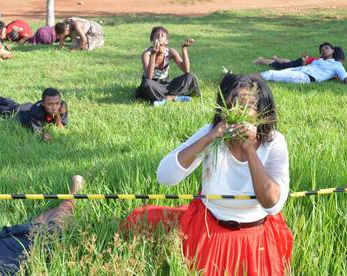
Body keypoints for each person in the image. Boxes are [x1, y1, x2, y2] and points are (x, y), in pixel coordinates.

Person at [123, 73, 293, 275]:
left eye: (250, 105)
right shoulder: (212, 133)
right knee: (140, 221)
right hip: (210, 229)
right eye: (234, 104)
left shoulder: (273, 141)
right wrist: (209, 138)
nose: (239, 112)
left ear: (262, 111)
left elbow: (272, 204)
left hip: (256, 235)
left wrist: (249, 150)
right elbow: (165, 176)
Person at [0, 175, 85, 276]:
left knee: (44, 223)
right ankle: (74, 191)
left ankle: (74, 192)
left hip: (1, 248)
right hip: (17, 248)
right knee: (57, 219)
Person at [135, 26, 201, 106]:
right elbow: (149, 77)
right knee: (146, 83)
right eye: (157, 35)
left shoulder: (170, 52)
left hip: (166, 84)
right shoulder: (147, 54)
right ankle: (174, 97)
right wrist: (153, 54)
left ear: (166, 41)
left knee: (190, 76)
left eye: (162, 35)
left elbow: (186, 70)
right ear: (152, 40)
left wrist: (184, 49)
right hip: (153, 84)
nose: (159, 37)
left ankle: (165, 98)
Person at [0, 88, 68, 141]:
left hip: (27, 106)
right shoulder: (36, 112)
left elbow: (61, 128)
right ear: (43, 104)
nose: (54, 107)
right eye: (50, 104)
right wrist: (44, 135)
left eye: (57, 103)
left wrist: (58, 115)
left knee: (10, 102)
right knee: (0, 109)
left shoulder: (61, 106)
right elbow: (38, 133)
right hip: (19, 113)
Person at [259, 43, 347, 85]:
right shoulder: (318, 60)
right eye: (321, 50)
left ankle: (249, 76)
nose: (323, 51)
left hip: (304, 73)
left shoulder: (336, 65)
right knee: (279, 68)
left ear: (333, 51)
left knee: (273, 72)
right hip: (301, 67)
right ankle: (270, 60)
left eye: (326, 48)